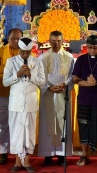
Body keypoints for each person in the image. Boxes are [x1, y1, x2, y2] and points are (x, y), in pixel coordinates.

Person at [3, 37, 45, 173]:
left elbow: (42, 82)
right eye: (22, 52)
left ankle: (27, 161)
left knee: (29, 132)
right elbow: (5, 82)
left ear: (31, 50)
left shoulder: (37, 62)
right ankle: (17, 161)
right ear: (19, 50)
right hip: (16, 103)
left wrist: (31, 75)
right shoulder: (11, 62)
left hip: (31, 103)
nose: (25, 55)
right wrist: (18, 74)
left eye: (27, 52)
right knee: (16, 132)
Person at [71, 34, 97, 167]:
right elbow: (75, 78)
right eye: (89, 47)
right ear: (86, 47)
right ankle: (84, 155)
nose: (92, 50)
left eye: (95, 47)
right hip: (84, 99)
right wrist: (87, 83)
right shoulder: (81, 60)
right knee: (84, 126)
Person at [38, 30, 74, 166]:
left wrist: (65, 84)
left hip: (62, 93)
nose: (56, 43)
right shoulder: (42, 58)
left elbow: (72, 75)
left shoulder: (69, 57)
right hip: (48, 93)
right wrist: (48, 87)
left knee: (62, 122)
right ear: (49, 41)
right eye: (53, 41)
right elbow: (39, 77)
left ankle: (61, 154)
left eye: (59, 41)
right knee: (47, 123)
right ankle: (47, 154)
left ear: (63, 41)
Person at [0, 27, 24, 164]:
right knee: (3, 123)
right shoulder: (1, 50)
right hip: (3, 92)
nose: (15, 41)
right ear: (8, 39)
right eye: (12, 38)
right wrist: (9, 68)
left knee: (19, 124)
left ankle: (17, 151)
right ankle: (3, 151)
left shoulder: (26, 52)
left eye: (18, 39)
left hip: (20, 93)